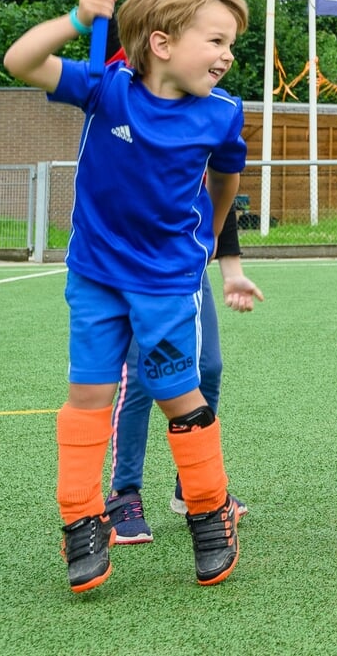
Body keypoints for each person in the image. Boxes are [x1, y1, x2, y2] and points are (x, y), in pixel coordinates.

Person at [5, 0, 251, 592]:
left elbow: (225, 181)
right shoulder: (106, 90)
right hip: (94, 276)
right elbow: (20, 60)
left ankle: (208, 510)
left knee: (177, 393)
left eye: (231, 45)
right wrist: (77, 18)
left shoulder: (222, 114)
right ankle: (82, 521)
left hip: (167, 282)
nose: (227, 56)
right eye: (216, 41)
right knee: (88, 397)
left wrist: (210, 235)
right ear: (163, 43)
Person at [106, 200, 260, 543]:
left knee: (208, 368)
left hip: (187, 263)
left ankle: (193, 485)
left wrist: (231, 270)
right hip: (135, 261)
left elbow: (222, 196)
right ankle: (124, 494)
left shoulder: (207, 148)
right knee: (141, 377)